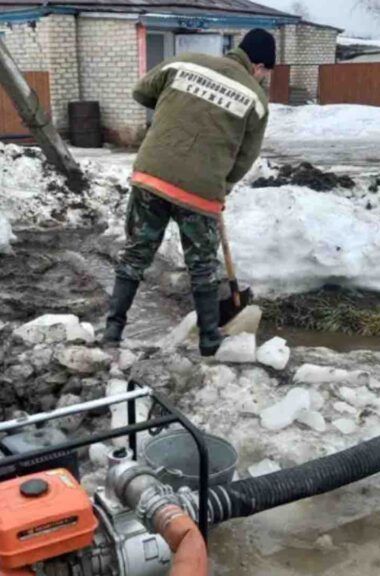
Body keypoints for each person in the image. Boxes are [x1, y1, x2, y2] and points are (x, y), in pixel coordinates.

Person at [102, 28, 276, 356]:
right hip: (200, 191)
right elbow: (245, 158)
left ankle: (112, 332)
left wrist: (175, 106)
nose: (264, 78)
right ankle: (210, 338)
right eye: (266, 71)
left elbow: (141, 92)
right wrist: (221, 186)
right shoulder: (255, 98)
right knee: (201, 265)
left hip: (151, 175)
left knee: (136, 253)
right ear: (259, 65)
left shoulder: (183, 64)